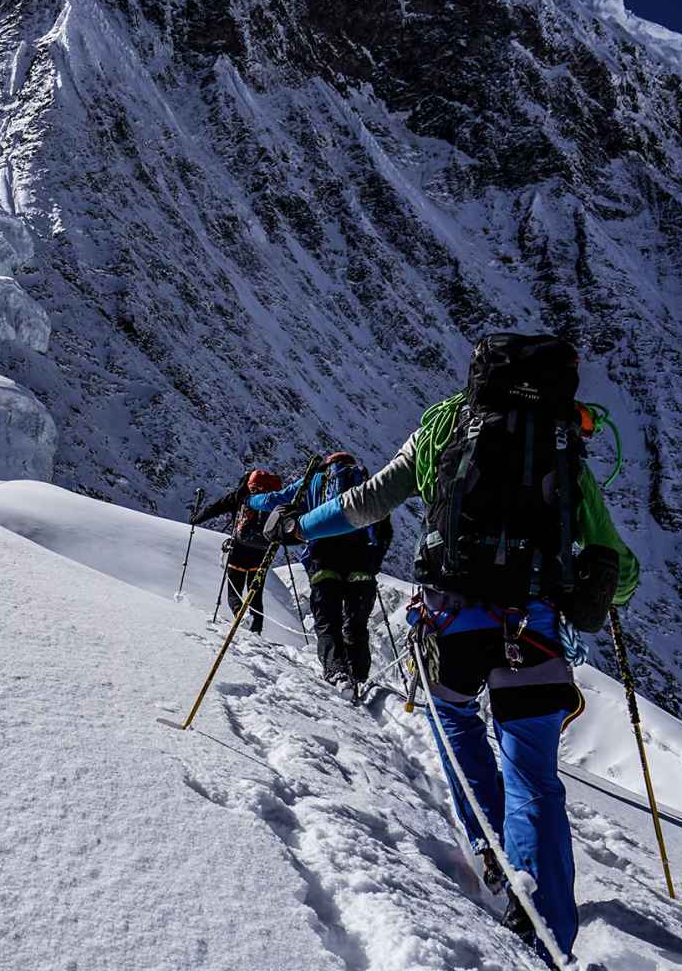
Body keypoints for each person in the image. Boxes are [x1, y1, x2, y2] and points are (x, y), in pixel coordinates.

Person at [265, 334, 639, 964]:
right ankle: (550, 935)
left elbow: (364, 505)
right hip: (535, 630)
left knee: (459, 729)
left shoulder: (443, 428)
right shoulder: (561, 445)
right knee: (536, 781)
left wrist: (296, 525)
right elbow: (620, 566)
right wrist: (603, 585)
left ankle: (489, 855)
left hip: (451, 620)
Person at [248, 452, 392, 693]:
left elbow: (276, 499)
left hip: (323, 558)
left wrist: (250, 500)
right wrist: (375, 559)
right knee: (356, 623)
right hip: (361, 560)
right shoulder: (365, 482)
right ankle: (359, 676)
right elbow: (384, 524)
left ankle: (336, 672)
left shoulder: (313, 481)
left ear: (327, 465)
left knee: (328, 620)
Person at [190, 468, 283, 634]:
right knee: (255, 594)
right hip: (261, 553)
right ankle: (256, 631)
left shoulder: (239, 496)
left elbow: (215, 508)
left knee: (233, 592)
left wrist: (196, 519)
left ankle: (240, 614)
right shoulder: (271, 499)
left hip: (238, 551)